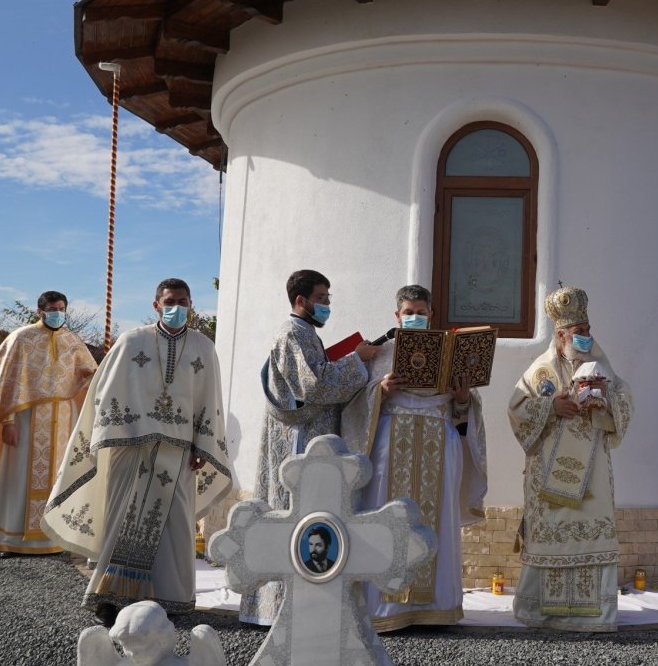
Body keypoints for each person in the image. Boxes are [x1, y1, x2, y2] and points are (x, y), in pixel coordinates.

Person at [42, 278, 231, 625]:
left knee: (174, 526)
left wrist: (203, 444)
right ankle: (111, 600)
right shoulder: (132, 342)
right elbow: (105, 391)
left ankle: (169, 600)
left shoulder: (204, 347)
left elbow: (210, 399)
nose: (179, 308)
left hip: (178, 451)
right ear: (156, 305)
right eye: (171, 301)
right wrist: (112, 435)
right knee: (121, 522)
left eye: (185, 301)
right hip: (129, 446)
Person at [342, 284, 487, 632]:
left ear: (431, 314)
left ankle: (437, 606)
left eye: (421, 312)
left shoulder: (449, 353)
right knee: (386, 514)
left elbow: (466, 410)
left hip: (440, 442)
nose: (415, 318)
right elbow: (355, 405)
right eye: (409, 312)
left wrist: (464, 397)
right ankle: (385, 608)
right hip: (391, 446)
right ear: (397, 316)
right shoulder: (381, 353)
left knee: (439, 519)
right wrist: (381, 391)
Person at [239, 269, 376, 625]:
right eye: (322, 299)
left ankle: (306, 604)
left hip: (312, 437)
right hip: (298, 443)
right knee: (293, 515)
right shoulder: (292, 334)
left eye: (328, 299)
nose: (327, 306)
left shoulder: (305, 333)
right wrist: (357, 358)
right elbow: (313, 387)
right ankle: (281, 609)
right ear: (301, 300)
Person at [508, 285, 633, 631]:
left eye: (588, 330)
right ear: (561, 334)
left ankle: (592, 615)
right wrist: (551, 406)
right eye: (579, 333)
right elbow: (516, 410)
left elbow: (625, 399)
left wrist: (605, 401)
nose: (586, 337)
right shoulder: (541, 371)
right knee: (551, 535)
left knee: (591, 534)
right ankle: (543, 612)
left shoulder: (600, 363)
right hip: (548, 475)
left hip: (592, 472)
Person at [0, 291, 97, 555]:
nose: (57, 313)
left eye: (61, 309)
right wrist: (8, 422)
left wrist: (98, 374)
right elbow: (6, 384)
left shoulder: (72, 340)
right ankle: (12, 539)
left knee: (59, 478)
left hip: (63, 420)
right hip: (26, 419)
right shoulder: (20, 338)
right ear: (40, 311)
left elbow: (88, 373)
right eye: (52, 309)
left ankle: (55, 539)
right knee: (18, 477)